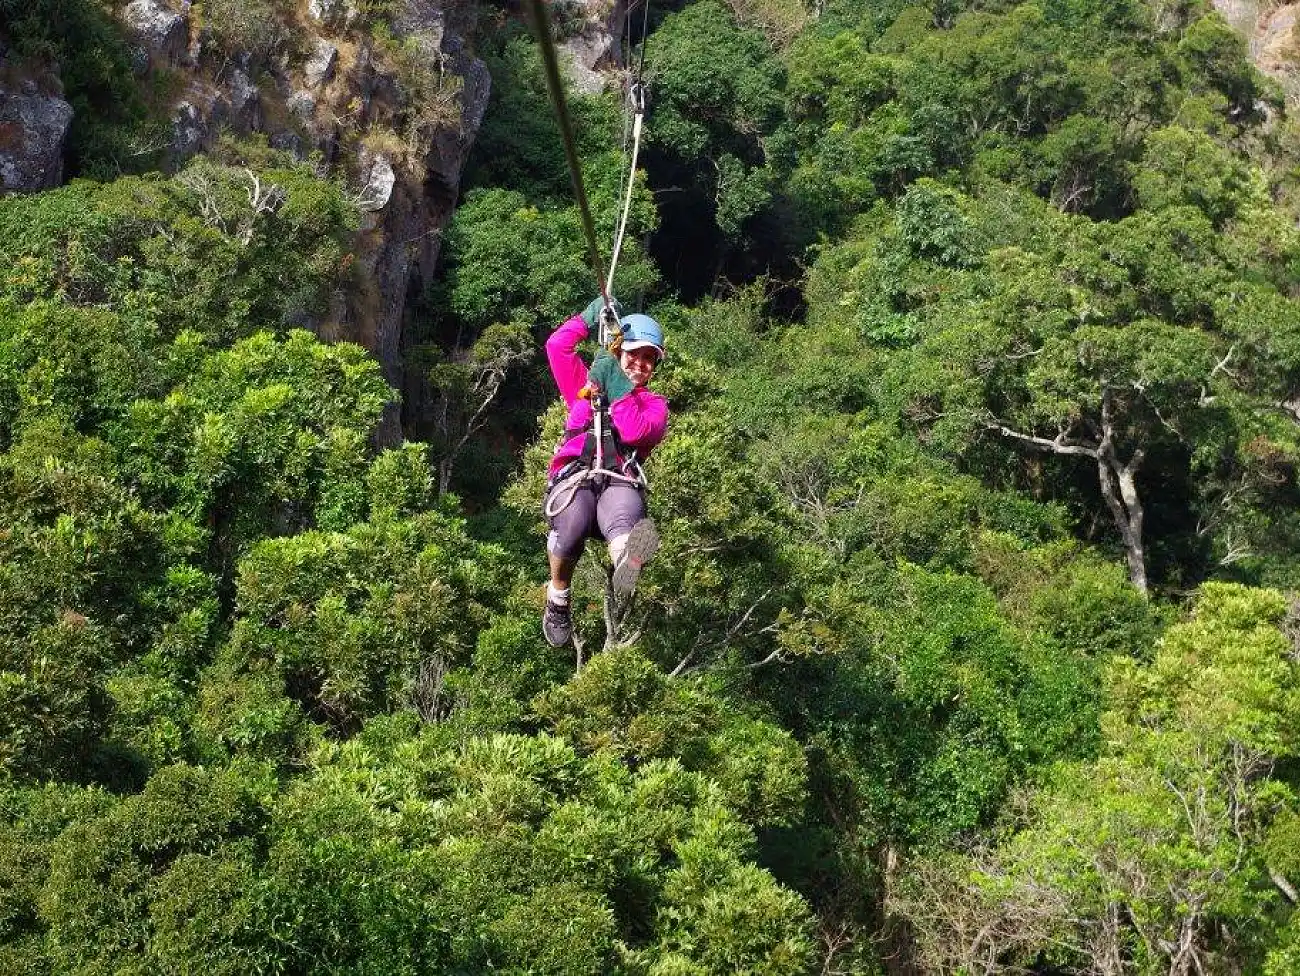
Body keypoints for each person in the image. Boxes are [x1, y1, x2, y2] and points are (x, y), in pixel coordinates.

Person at [541, 296, 669, 647]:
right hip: (577, 475)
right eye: (633, 355)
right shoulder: (587, 384)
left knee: (623, 514)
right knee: (572, 525)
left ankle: (627, 558)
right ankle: (558, 598)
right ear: (618, 350)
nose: (640, 365)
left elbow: (635, 433)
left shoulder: (655, 406)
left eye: (648, 360)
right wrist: (586, 318)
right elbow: (557, 347)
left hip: (619, 479)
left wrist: (616, 383)